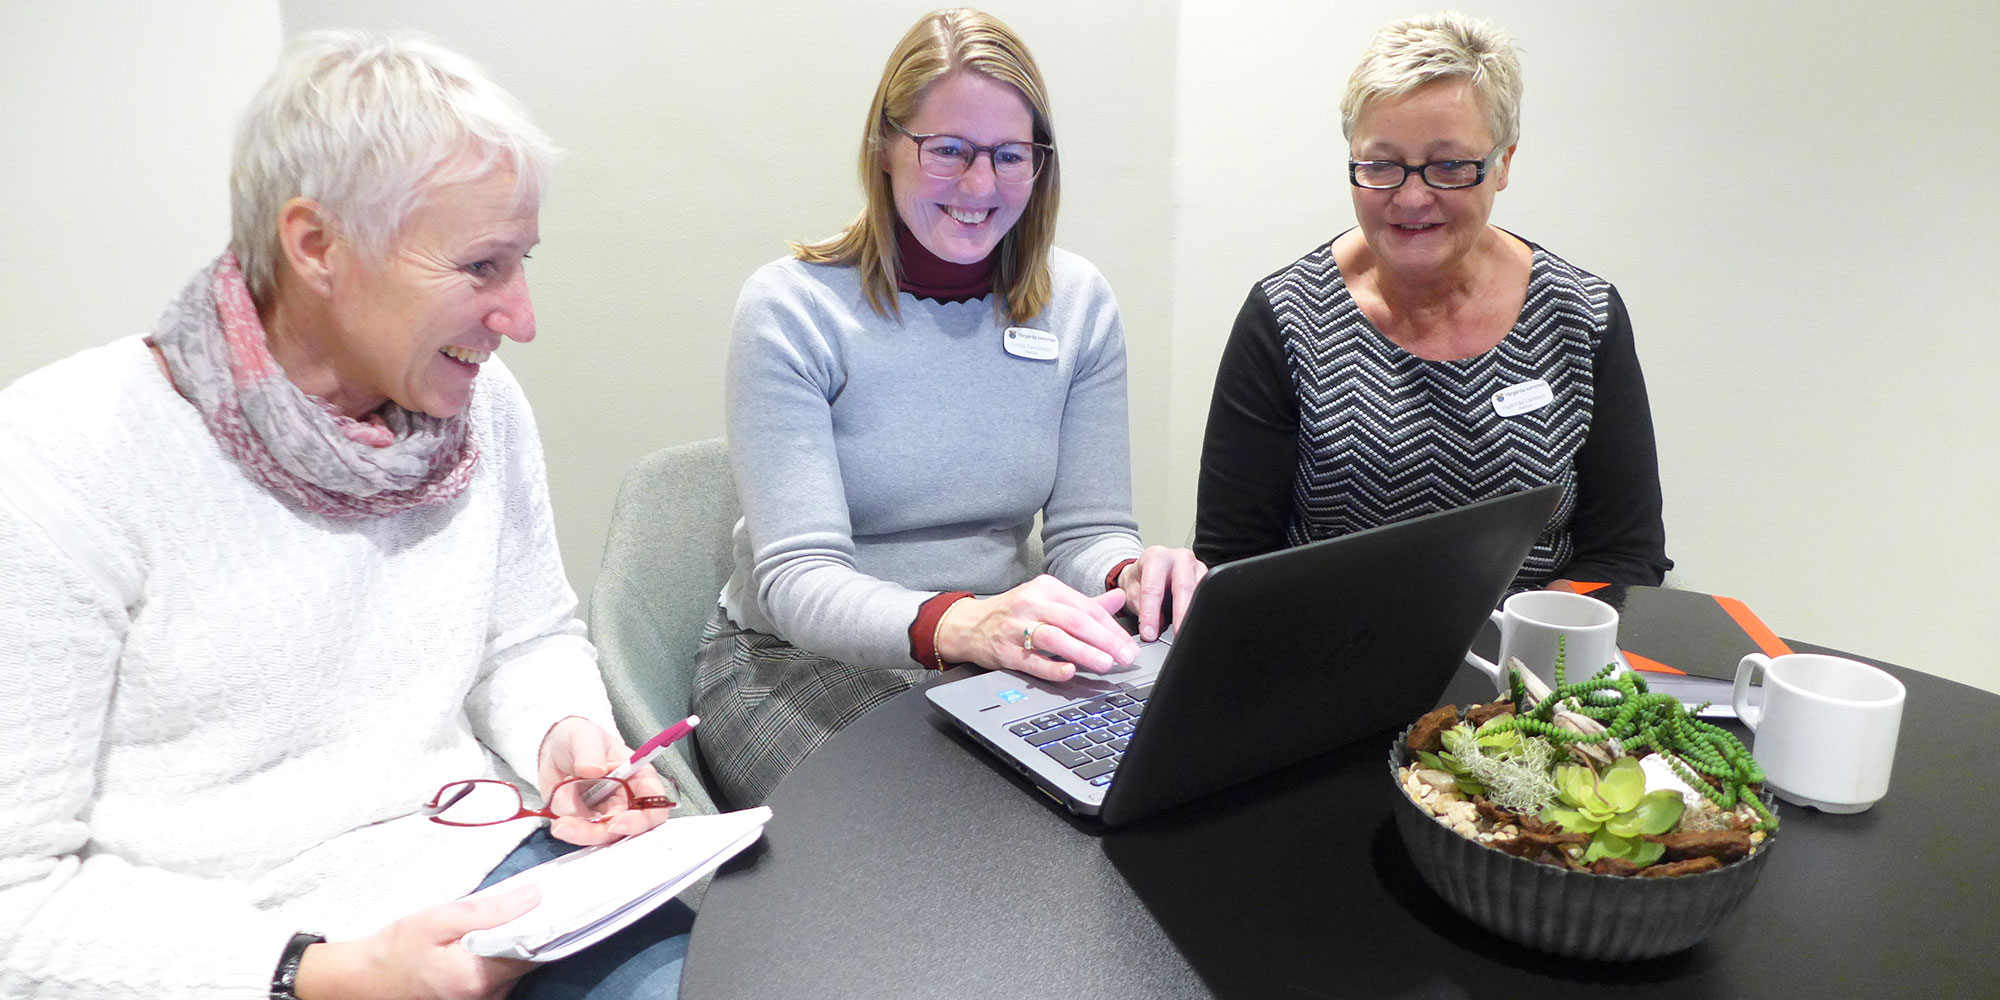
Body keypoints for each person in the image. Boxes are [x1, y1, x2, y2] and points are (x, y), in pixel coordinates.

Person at [0, 32, 691, 1000]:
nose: (521, 317)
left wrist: (563, 737)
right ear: (317, 245)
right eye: (481, 267)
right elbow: (16, 904)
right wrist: (324, 975)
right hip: (223, 946)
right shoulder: (61, 458)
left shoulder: (481, 406)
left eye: (520, 262)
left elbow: (525, 633)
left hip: (483, 875)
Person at [693, 7, 1204, 809]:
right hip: (790, 659)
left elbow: (1083, 534)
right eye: (950, 151)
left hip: (998, 649)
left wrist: (1128, 573)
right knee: (939, 826)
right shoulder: (792, 309)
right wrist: (963, 624)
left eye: (1010, 156)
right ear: (885, 149)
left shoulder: (1076, 305)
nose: (980, 187)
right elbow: (798, 578)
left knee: (1154, 779)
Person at [1194, 11, 1673, 590]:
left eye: (1449, 166)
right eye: (1382, 165)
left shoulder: (1580, 315)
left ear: (1503, 165)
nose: (1412, 197)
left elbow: (1626, 553)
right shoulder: (1289, 317)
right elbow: (1232, 558)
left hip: (1532, 662)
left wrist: (1531, 648)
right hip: (1329, 653)